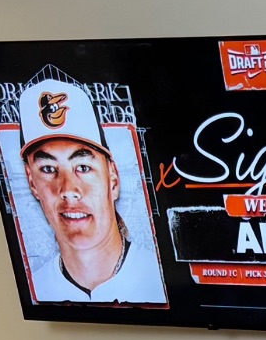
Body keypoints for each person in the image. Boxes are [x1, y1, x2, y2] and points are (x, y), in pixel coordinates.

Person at [15, 77, 168, 304]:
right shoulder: (36, 290)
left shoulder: (160, 278)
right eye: (48, 169)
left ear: (113, 178)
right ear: (32, 182)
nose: (68, 189)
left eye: (83, 167)